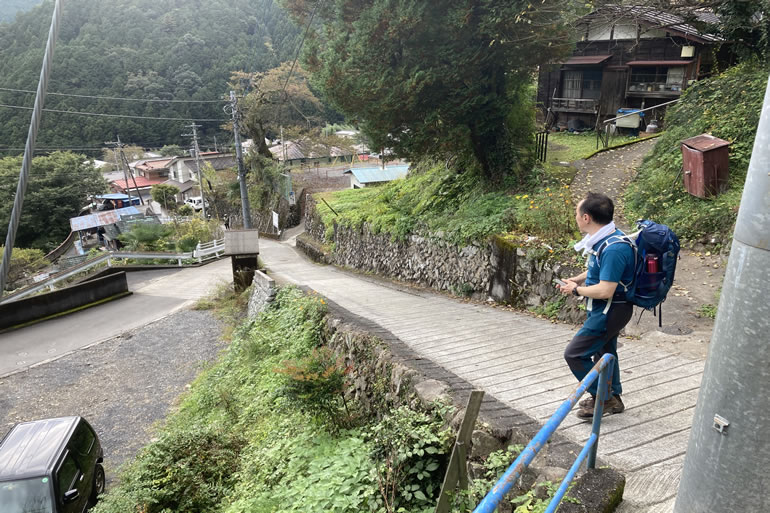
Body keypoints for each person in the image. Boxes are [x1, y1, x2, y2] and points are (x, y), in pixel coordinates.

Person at [557, 192, 635, 419]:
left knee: (574, 354)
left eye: (577, 214)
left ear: (587, 218)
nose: (575, 217)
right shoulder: (604, 239)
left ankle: (604, 396)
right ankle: (613, 397)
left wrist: (575, 290)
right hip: (606, 309)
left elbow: (605, 289)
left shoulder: (613, 247)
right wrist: (577, 280)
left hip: (610, 310)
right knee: (604, 352)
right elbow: (596, 270)